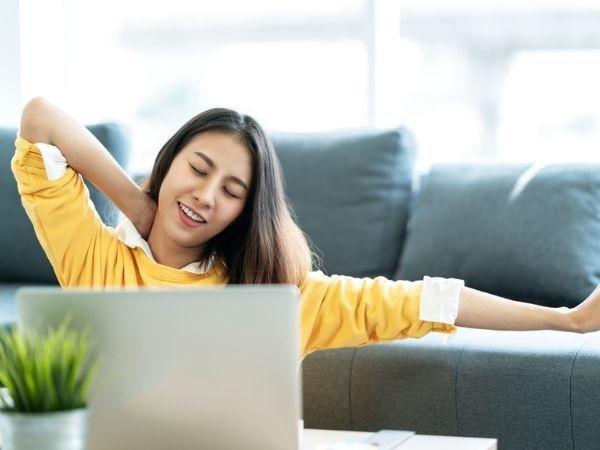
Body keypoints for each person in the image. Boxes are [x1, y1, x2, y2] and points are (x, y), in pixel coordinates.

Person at [11, 97, 600, 361]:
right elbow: (40, 118)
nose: (206, 196)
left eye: (233, 191)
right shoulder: (95, 259)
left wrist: (566, 321)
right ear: (167, 164)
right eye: (198, 169)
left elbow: (429, 300)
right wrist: (136, 206)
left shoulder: (277, 296)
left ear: (245, 213)